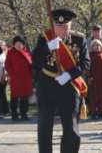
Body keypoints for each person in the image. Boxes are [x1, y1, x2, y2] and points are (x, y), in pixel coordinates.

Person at [33, 8, 90, 153]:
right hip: (47, 86)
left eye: (65, 26)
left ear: (70, 26)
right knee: (45, 126)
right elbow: (35, 62)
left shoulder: (79, 39)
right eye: (58, 27)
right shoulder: (44, 38)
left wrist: (69, 75)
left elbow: (85, 63)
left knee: (71, 129)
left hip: (69, 86)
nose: (62, 30)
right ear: (52, 25)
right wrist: (47, 48)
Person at [5, 35, 33, 121]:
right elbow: (7, 65)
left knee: (25, 97)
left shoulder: (26, 53)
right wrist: (12, 74)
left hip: (26, 79)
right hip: (16, 79)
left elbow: (31, 65)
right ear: (14, 44)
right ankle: (14, 114)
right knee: (15, 97)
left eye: (20, 43)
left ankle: (24, 114)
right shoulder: (10, 52)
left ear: (23, 44)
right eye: (17, 43)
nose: (19, 45)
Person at [88, 39, 102, 119]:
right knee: (93, 96)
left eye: (98, 45)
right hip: (93, 79)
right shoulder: (89, 55)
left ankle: (101, 112)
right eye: (94, 45)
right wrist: (89, 77)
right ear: (91, 47)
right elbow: (88, 67)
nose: (96, 47)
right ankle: (93, 112)